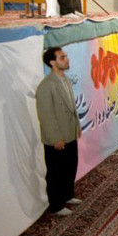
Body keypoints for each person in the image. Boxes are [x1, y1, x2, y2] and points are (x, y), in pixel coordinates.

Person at [35, 47, 82, 216]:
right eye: (62, 57)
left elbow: (71, 107)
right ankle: (56, 205)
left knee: (70, 166)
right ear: (52, 62)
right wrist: (56, 137)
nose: (67, 59)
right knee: (56, 172)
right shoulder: (46, 85)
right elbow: (46, 115)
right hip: (57, 137)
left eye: (66, 56)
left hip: (69, 133)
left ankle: (67, 195)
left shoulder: (66, 80)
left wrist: (77, 127)